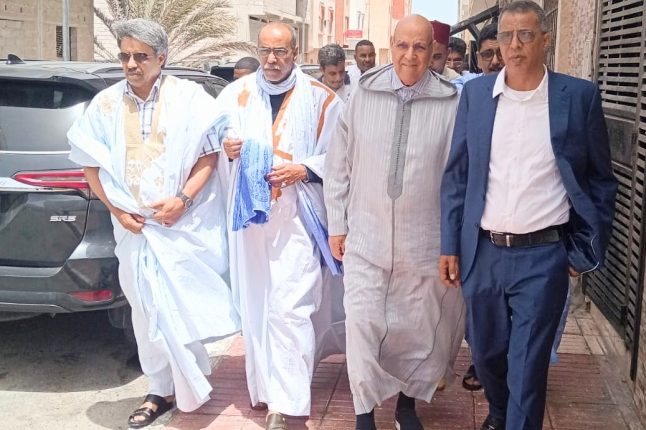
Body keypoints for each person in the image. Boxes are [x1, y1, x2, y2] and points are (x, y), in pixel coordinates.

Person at [439, 2, 618, 430]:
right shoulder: (477, 96)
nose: (515, 45)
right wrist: (449, 244)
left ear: (545, 39)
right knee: (486, 356)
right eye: (507, 36)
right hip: (483, 252)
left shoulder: (578, 97)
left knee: (528, 366)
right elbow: (457, 175)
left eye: (525, 35)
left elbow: (600, 180)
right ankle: (501, 415)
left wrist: (583, 251)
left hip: (544, 255)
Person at [66, 18, 239, 428]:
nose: (131, 64)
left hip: (180, 225)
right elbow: (90, 164)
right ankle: (160, 388)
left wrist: (182, 200)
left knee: (179, 307)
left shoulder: (190, 98)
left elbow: (209, 155)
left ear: (161, 58)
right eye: (125, 55)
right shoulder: (105, 104)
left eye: (140, 56)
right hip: (134, 229)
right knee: (145, 310)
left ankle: (183, 383)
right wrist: (118, 212)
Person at [325, 14, 465, 430]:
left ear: (432, 51)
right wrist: (337, 224)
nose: (410, 55)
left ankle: (406, 405)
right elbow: (338, 165)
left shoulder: (451, 102)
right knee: (362, 324)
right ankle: (364, 412)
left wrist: (453, 241)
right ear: (392, 45)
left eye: (420, 47)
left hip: (424, 242)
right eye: (403, 45)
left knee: (419, 330)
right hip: (365, 238)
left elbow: (460, 176)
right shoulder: (363, 93)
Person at [217, 21, 345, 430]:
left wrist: (303, 169)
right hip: (251, 221)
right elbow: (212, 149)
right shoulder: (234, 95)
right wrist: (227, 151)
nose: (271, 60)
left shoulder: (322, 99)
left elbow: (341, 157)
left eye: (280, 52)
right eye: (265, 51)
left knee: (291, 308)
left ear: (296, 52)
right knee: (258, 304)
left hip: (298, 219)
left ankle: (287, 406)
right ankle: (266, 390)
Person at [452, 23, 505, 94]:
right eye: (487, 54)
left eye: (501, 54)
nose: (495, 61)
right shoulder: (466, 85)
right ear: (479, 59)